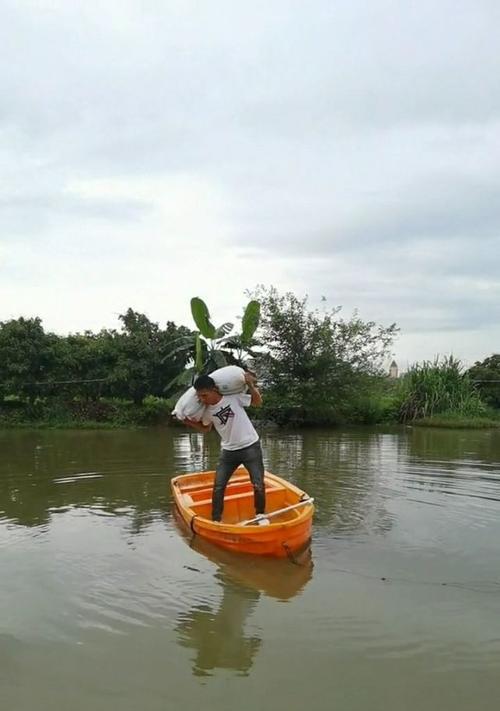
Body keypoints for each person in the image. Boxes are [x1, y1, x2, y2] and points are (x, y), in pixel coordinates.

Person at [183, 371, 265, 522]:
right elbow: (206, 429)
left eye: (204, 395)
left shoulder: (233, 398)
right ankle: (216, 520)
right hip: (228, 452)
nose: (202, 399)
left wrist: (250, 385)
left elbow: (257, 402)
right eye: (199, 396)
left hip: (250, 446)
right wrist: (189, 422)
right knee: (218, 486)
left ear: (214, 390)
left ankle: (260, 515)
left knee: (258, 483)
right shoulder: (207, 412)